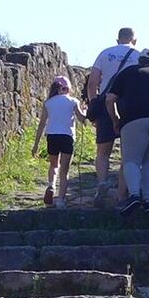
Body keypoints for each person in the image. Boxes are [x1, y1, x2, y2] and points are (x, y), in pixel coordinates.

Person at [103, 48, 149, 214]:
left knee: (131, 160)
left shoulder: (127, 72)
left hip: (134, 118)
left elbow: (110, 99)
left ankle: (135, 196)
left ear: (140, 60)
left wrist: (115, 120)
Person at [84, 27, 139, 204]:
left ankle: (102, 182)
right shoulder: (138, 56)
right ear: (134, 40)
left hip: (106, 102)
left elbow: (92, 82)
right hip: (129, 105)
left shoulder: (105, 53)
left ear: (118, 40)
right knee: (128, 152)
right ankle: (123, 191)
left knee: (103, 151)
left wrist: (93, 103)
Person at [37, 74, 82, 208]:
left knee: (54, 165)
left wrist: (35, 145)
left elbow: (42, 123)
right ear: (67, 88)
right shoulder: (73, 101)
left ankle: (51, 186)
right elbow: (81, 118)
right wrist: (87, 113)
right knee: (65, 169)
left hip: (52, 136)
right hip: (67, 136)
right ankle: (61, 200)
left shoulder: (48, 103)